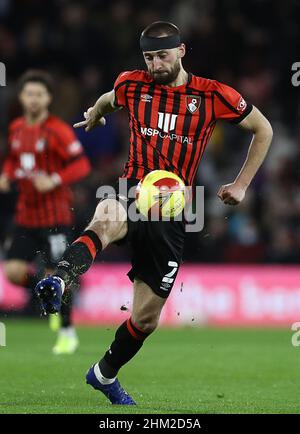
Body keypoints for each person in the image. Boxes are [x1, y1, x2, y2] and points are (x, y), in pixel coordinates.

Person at [35, 22, 273, 404]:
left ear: (181, 51)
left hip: (174, 211)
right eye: (149, 57)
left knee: (146, 319)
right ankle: (61, 280)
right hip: (133, 188)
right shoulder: (133, 83)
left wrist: (241, 183)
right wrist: (96, 113)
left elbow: (263, 129)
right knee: (107, 214)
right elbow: (110, 98)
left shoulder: (213, 95)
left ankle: (104, 373)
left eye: (162, 55)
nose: (156, 64)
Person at [0, 70, 91, 354]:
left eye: (39, 94)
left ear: (49, 98)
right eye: (29, 94)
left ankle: (66, 331)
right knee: (13, 272)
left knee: (57, 276)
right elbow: (15, 162)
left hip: (55, 218)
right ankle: (45, 293)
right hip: (26, 216)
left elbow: (81, 166)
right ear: (22, 97)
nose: (34, 99)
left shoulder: (58, 130)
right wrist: (6, 174)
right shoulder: (16, 128)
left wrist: (53, 180)